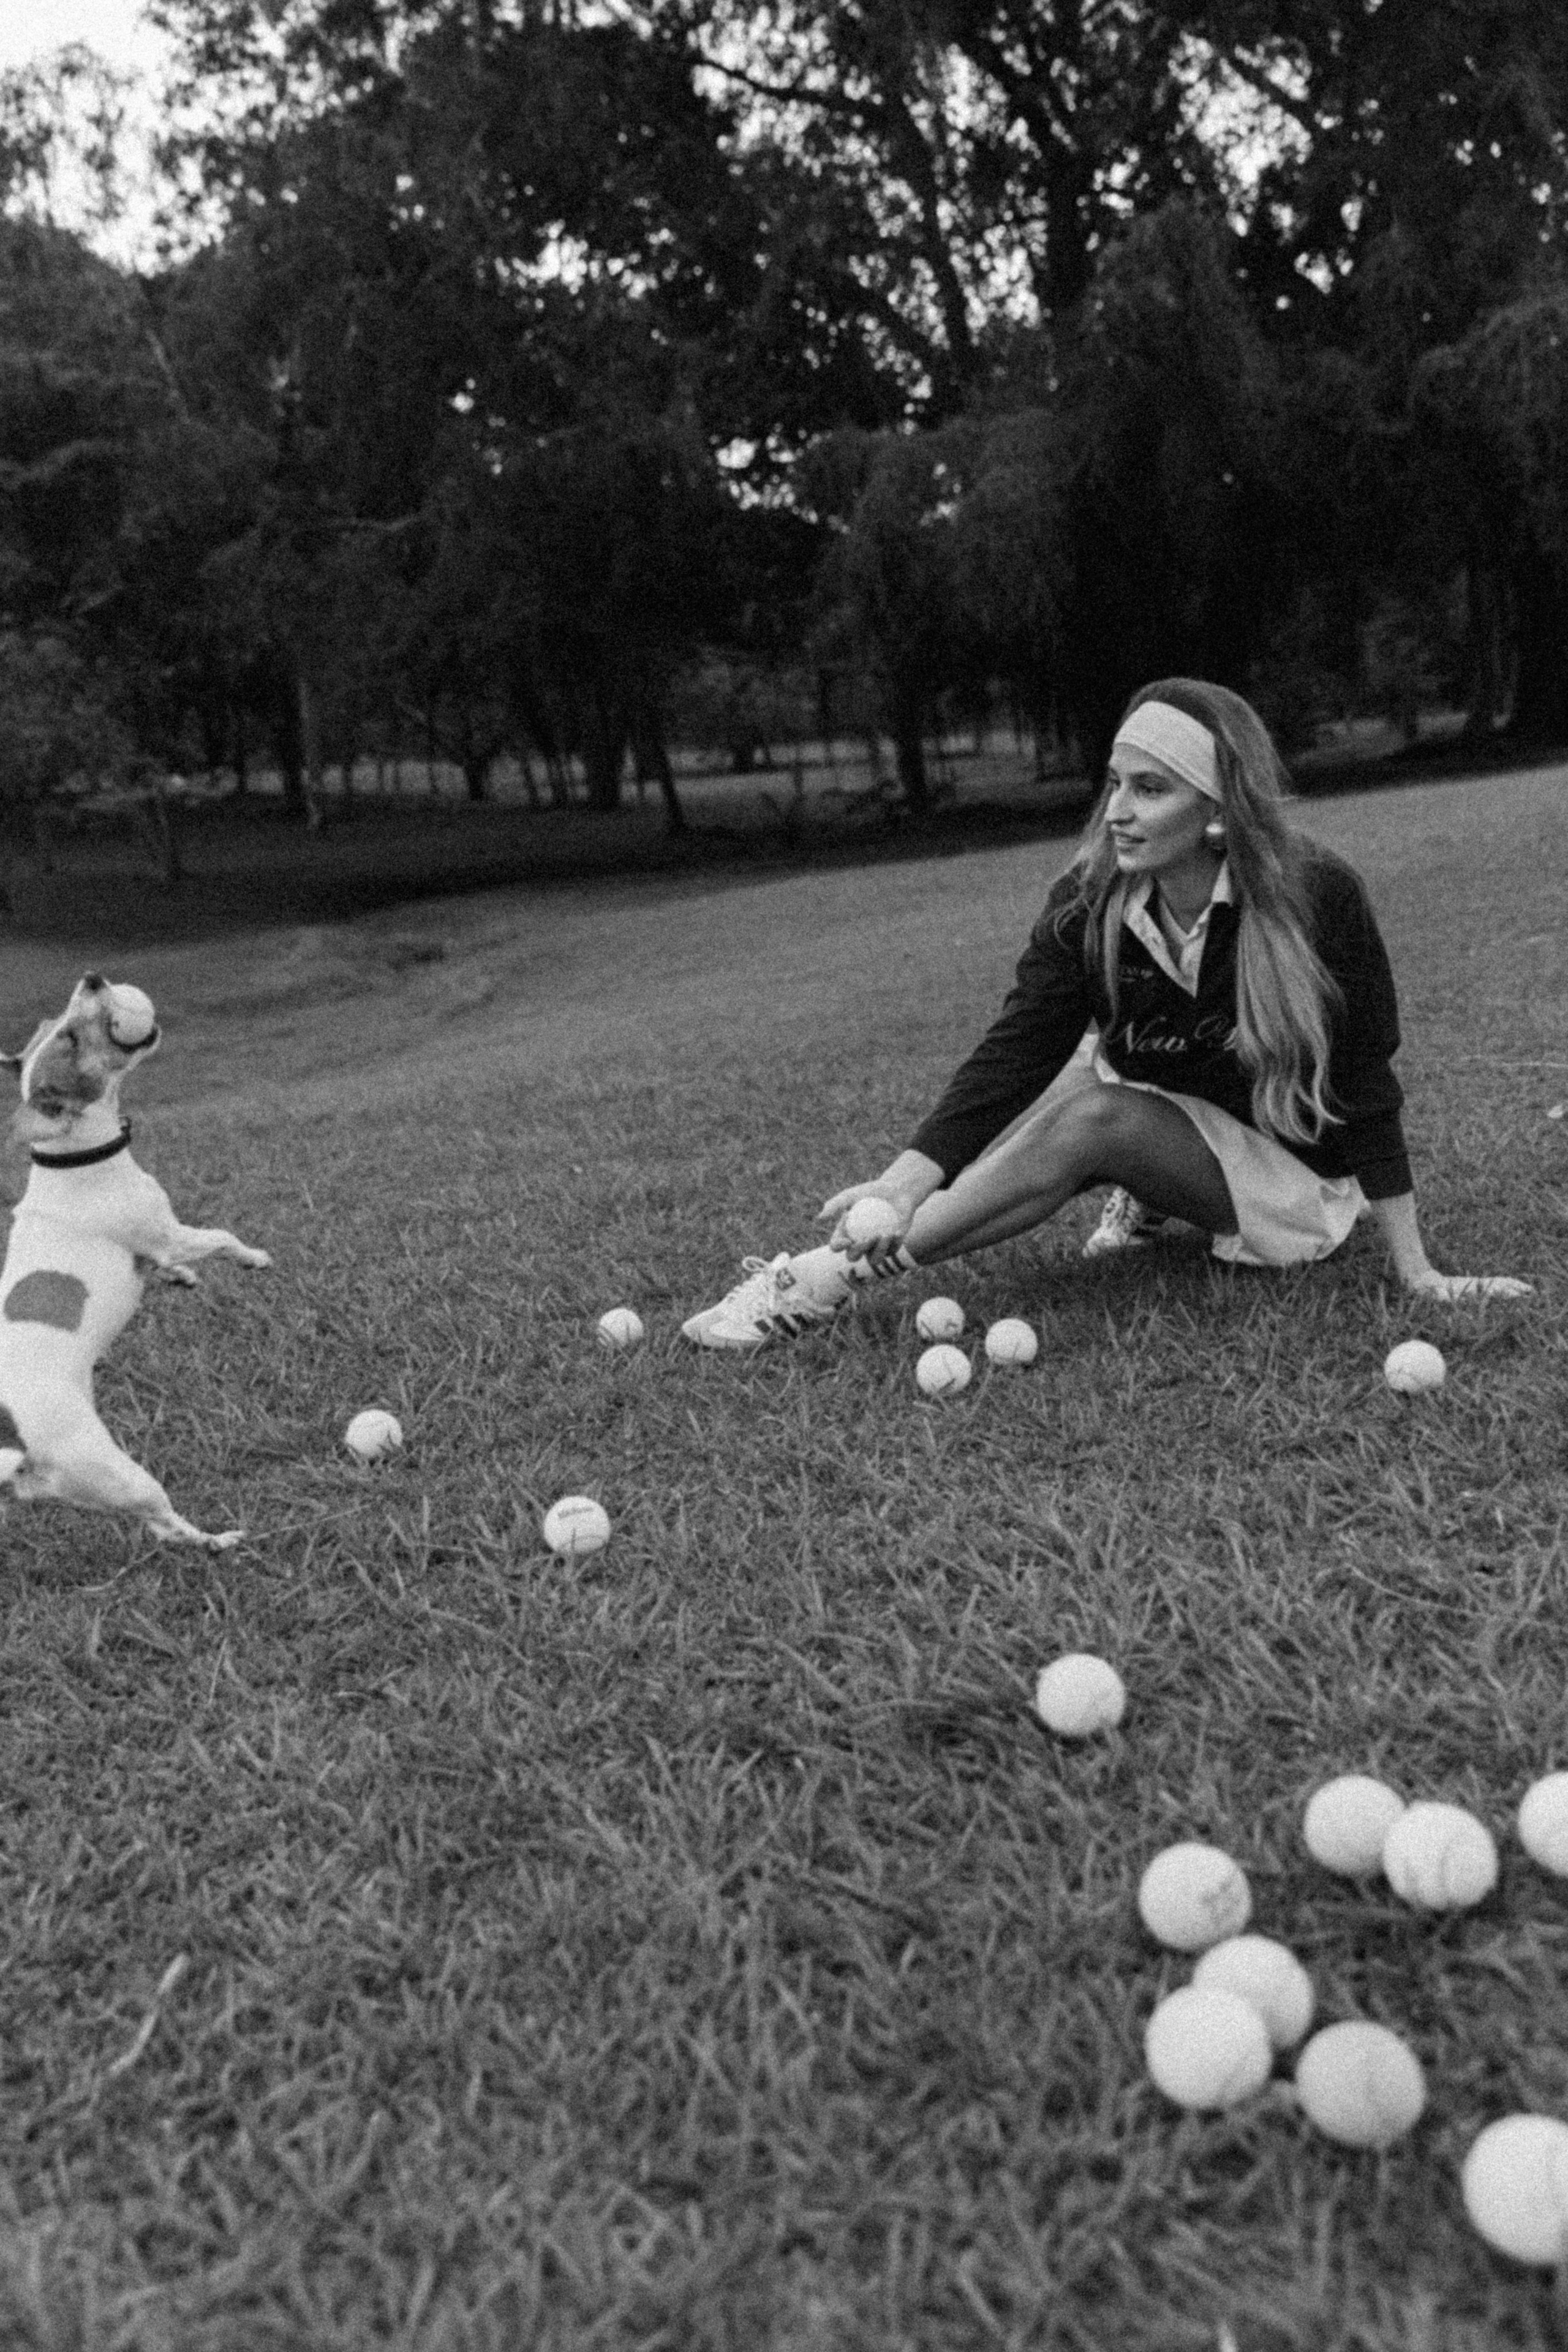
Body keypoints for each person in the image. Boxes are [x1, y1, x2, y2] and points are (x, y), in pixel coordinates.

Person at [682, 678, 1532, 1348]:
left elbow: (1365, 1078)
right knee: (1076, 1080)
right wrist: (905, 1182)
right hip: (1184, 1122)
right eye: (1116, 783)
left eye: (1152, 789)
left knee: (1094, 1114)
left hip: (1300, 1186)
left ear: (1214, 812)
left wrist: (1415, 1268)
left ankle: (818, 1283)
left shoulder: (1317, 895)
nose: (1118, 811)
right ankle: (1146, 1195)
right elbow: (1019, 1044)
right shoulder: (1091, 901)